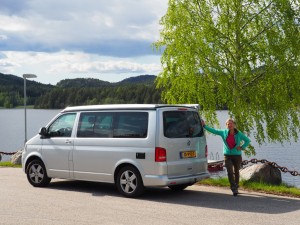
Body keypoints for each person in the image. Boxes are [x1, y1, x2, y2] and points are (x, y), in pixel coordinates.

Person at [201, 118, 251, 196]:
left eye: (231, 123)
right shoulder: (223, 132)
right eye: (227, 124)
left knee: (236, 172)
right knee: (230, 172)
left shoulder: (239, 134)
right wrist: (204, 126)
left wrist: (242, 147)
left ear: (234, 125)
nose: (229, 125)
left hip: (237, 155)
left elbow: (247, 140)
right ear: (226, 125)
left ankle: (236, 185)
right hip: (227, 155)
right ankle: (233, 188)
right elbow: (214, 131)